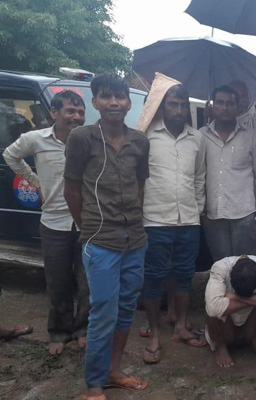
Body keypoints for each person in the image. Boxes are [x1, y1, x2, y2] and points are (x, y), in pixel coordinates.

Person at [64, 74, 150, 398]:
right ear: (95, 102)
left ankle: (114, 370)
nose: (114, 102)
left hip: (135, 240)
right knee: (103, 312)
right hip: (100, 240)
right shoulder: (81, 138)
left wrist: (133, 221)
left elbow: (140, 186)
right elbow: (72, 189)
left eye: (120, 97)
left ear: (129, 103)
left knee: (126, 308)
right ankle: (94, 385)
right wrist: (87, 229)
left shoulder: (139, 141)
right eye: (106, 96)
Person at [3, 90, 89, 356]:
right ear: (54, 113)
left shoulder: (89, 141)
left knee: (87, 283)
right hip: (53, 222)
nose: (76, 116)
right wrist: (35, 181)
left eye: (81, 112)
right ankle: (60, 333)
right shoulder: (36, 139)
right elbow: (10, 155)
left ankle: (83, 330)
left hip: (87, 223)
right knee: (58, 281)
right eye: (70, 111)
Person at [137, 75, 207, 364]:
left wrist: (197, 208)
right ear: (163, 106)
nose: (179, 110)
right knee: (153, 277)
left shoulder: (197, 139)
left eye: (182, 105)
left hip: (188, 220)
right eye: (173, 104)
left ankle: (180, 325)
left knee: (184, 275)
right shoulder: (146, 137)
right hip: (155, 220)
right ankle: (154, 333)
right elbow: (138, 177)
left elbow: (199, 177)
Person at [201, 85, 256, 262]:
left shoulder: (250, 136)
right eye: (220, 102)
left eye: (230, 103)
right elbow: (197, 175)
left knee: (245, 268)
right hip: (213, 217)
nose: (224, 108)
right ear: (213, 105)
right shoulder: (201, 136)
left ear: (237, 106)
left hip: (245, 217)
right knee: (220, 267)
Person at [205, 255, 256, 367]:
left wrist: (235, 297)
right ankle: (220, 347)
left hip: (250, 322)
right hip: (227, 325)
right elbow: (213, 308)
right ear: (230, 272)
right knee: (211, 307)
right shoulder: (220, 268)